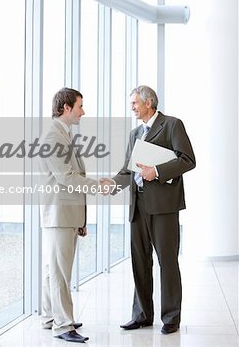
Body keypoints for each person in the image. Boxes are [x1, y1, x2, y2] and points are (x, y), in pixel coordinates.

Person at [102, 85, 196, 335]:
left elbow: (188, 160)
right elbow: (127, 170)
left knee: (167, 262)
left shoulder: (172, 125)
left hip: (163, 207)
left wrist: (156, 172)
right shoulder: (135, 133)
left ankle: (171, 317)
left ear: (149, 103)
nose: (131, 107)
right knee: (140, 261)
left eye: (134, 103)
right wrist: (111, 184)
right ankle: (142, 315)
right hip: (138, 206)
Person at [39, 87, 104, 344]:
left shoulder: (62, 134)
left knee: (51, 270)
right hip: (59, 214)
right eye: (80, 106)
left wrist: (81, 220)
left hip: (66, 214)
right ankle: (62, 324)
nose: (83, 111)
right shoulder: (53, 136)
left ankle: (49, 317)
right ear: (66, 108)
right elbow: (66, 177)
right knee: (59, 273)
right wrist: (98, 185)